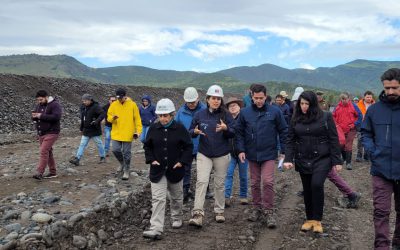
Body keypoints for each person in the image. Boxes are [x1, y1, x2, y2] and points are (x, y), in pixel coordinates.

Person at [284, 91, 343, 234]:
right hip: (303, 158)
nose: (304, 107)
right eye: (302, 103)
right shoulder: (295, 119)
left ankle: (317, 220)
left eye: (307, 104)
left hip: (322, 158)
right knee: (307, 189)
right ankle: (309, 218)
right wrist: (288, 158)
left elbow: (333, 139)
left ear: (313, 104)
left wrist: (337, 160)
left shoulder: (326, 116)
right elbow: (290, 140)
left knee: (316, 185)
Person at [236, 84, 287, 228]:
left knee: (268, 182)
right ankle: (257, 208)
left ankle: (268, 211)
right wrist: (240, 150)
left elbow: (283, 131)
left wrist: (284, 151)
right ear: (251, 96)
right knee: (254, 182)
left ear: (266, 97)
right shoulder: (245, 113)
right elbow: (238, 132)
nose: (259, 101)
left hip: (269, 153)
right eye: (256, 98)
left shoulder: (275, 112)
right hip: (251, 154)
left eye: (261, 98)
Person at [142, 98, 193, 240]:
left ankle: (177, 217)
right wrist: (151, 159)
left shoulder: (180, 128)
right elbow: (147, 146)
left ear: (172, 114)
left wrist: (182, 162)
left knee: (176, 197)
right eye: (160, 116)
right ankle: (156, 228)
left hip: (175, 170)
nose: (163, 118)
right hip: (157, 171)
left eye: (166, 115)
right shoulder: (153, 128)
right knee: (158, 198)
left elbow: (188, 147)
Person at [361, 68, 400, 250]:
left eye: (395, 88)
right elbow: (366, 133)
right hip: (381, 169)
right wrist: (372, 152)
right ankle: (382, 247)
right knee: (381, 211)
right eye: (387, 88)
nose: (390, 92)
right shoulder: (374, 110)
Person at [188, 85, 235, 227]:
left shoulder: (226, 115)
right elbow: (190, 130)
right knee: (201, 181)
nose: (216, 101)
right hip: (204, 153)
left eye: (218, 99)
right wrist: (194, 132)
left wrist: (226, 129)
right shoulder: (199, 114)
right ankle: (197, 214)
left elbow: (234, 131)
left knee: (219, 183)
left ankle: (219, 211)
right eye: (213, 98)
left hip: (222, 153)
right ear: (207, 99)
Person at [175, 87, 206, 202]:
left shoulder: (205, 109)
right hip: (186, 146)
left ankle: (205, 190)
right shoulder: (181, 112)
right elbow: (176, 128)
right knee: (185, 169)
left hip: (202, 146)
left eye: (193, 102)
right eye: (188, 102)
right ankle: (185, 191)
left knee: (203, 170)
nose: (191, 104)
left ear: (198, 98)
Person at [107, 88, 142, 180]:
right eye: (118, 98)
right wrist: (112, 118)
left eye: (121, 98)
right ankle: (122, 163)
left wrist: (138, 132)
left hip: (128, 133)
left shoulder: (133, 105)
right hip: (116, 133)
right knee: (115, 150)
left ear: (125, 96)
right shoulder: (114, 104)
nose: (119, 99)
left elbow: (137, 119)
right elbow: (108, 117)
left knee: (127, 153)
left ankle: (127, 169)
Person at [32, 90, 62, 180]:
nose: (39, 102)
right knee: (48, 152)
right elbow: (37, 117)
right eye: (38, 100)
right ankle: (53, 172)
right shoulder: (39, 105)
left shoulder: (55, 104)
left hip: (52, 132)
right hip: (42, 133)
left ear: (46, 97)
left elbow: (57, 117)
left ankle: (39, 172)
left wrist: (40, 116)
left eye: (41, 100)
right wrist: (34, 117)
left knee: (43, 151)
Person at [224, 97, 248, 207]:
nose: (232, 107)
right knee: (228, 174)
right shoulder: (226, 120)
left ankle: (243, 196)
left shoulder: (244, 119)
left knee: (243, 175)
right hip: (230, 153)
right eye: (230, 106)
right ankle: (226, 197)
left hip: (243, 153)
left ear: (239, 107)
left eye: (235, 105)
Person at [69, 94, 106, 166]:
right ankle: (77, 159)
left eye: (85, 101)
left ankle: (102, 157)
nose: (84, 102)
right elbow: (83, 118)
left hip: (94, 129)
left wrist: (97, 121)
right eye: (83, 101)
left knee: (99, 143)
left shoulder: (96, 107)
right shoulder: (83, 107)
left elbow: (103, 113)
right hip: (86, 129)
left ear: (90, 100)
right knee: (82, 144)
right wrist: (81, 128)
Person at [333, 92, 362, 170]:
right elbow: (333, 116)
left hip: (351, 129)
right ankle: (345, 158)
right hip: (340, 130)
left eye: (346, 99)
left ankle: (348, 163)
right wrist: (336, 125)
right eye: (342, 99)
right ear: (341, 99)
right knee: (341, 144)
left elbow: (360, 116)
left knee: (348, 145)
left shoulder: (354, 106)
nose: (344, 100)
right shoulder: (337, 107)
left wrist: (354, 124)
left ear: (349, 99)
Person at [355, 90, 375, 162]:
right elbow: (355, 115)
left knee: (369, 141)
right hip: (360, 125)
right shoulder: (358, 105)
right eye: (367, 97)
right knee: (360, 140)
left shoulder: (375, 105)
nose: (369, 98)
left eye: (370, 97)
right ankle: (359, 155)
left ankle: (367, 155)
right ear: (364, 97)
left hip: (370, 125)